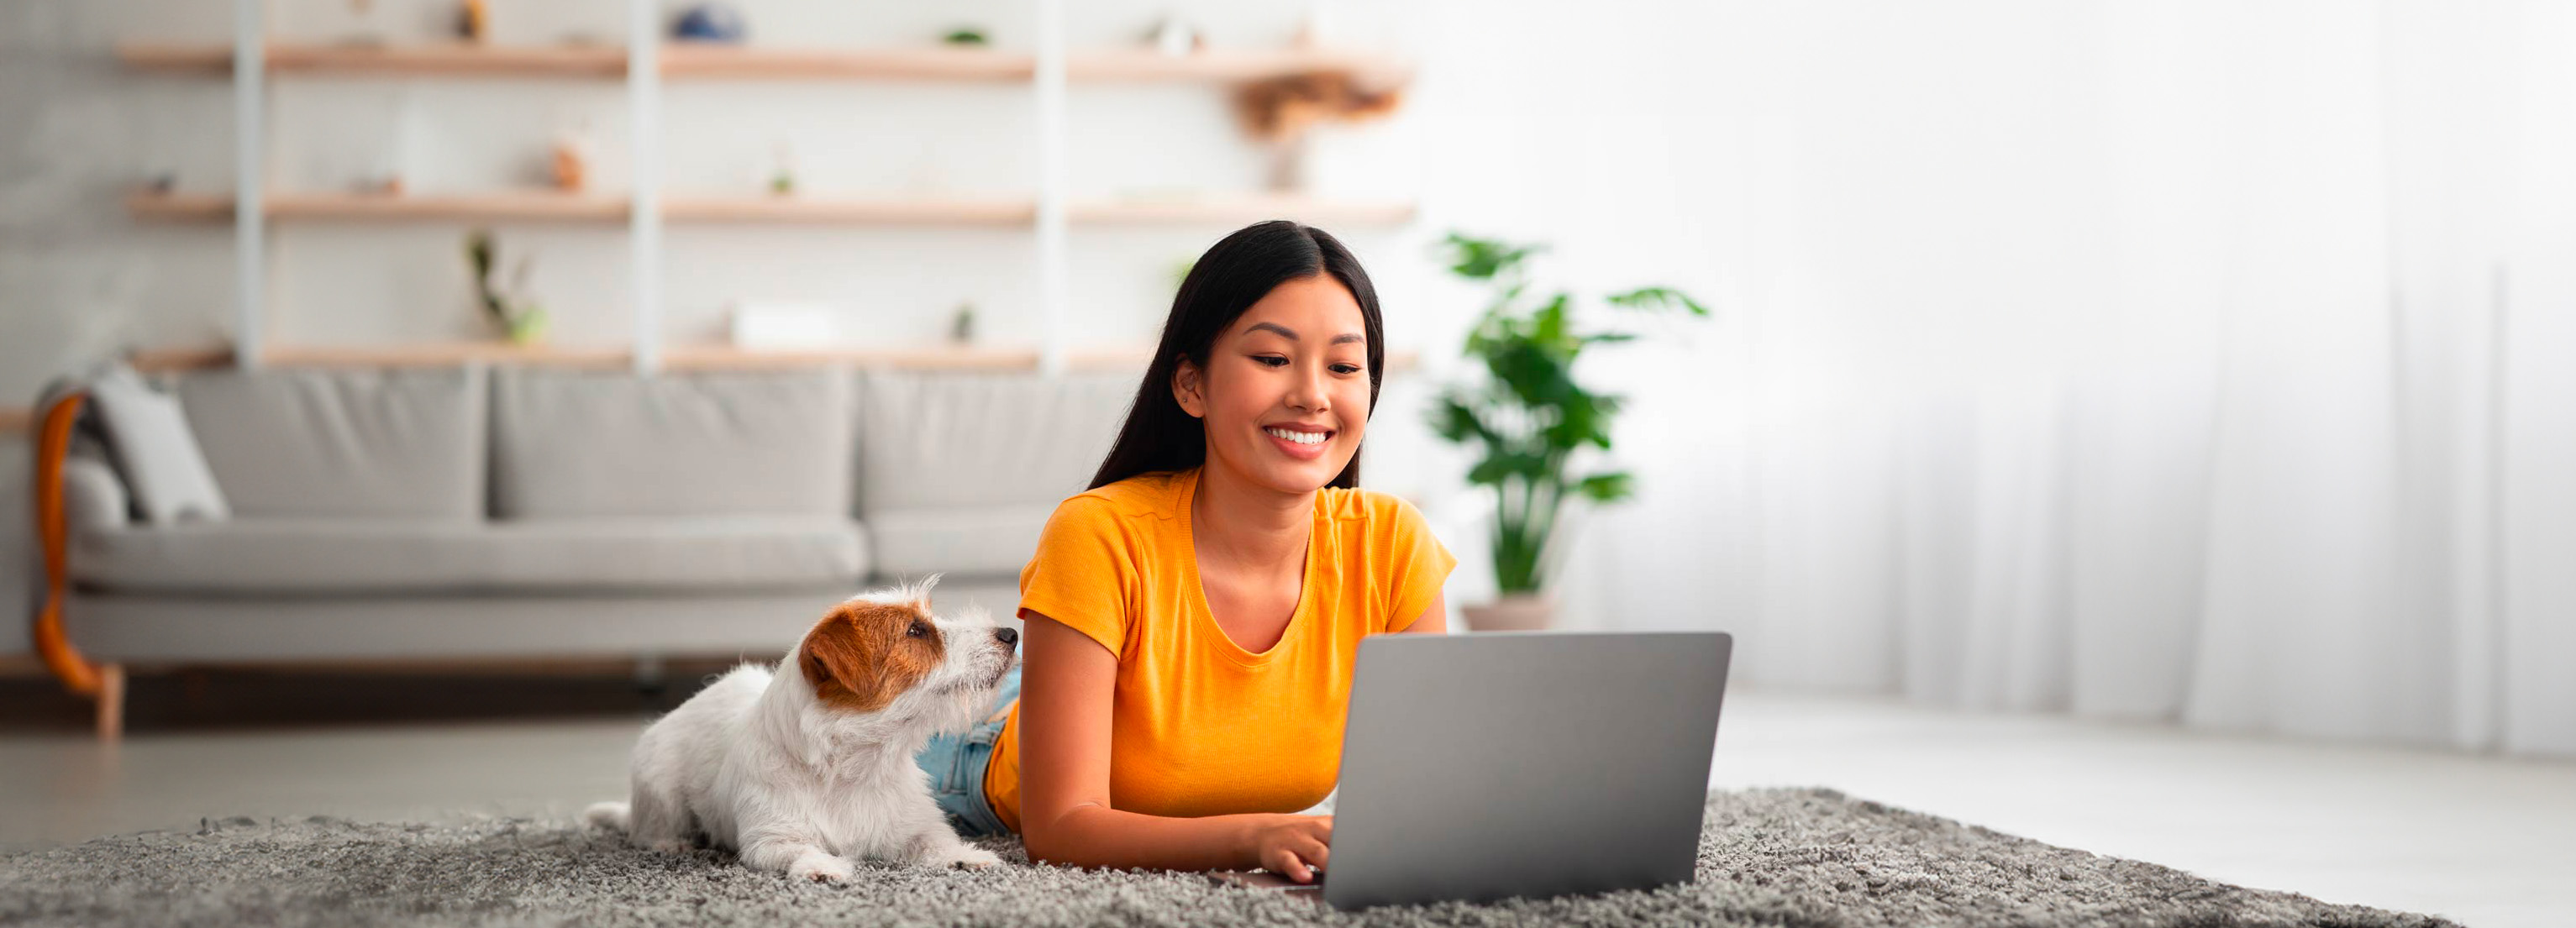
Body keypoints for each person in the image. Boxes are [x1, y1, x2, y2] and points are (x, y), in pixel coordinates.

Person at [912, 220, 1457, 883]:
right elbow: (1059, 827)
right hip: (980, 740)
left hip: (1107, 684)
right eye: (1273, 359)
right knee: (797, 745)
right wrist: (1256, 836)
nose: (1314, 393)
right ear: (1191, 385)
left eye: (1344, 365)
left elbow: (1428, 803)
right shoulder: (1098, 534)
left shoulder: (1395, 543)